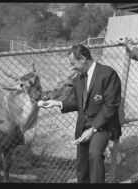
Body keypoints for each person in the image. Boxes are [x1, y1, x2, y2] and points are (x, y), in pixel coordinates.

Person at [38, 44, 122, 183]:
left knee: (94, 155)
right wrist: (58, 103)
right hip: (83, 126)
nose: (72, 67)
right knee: (82, 166)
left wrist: (93, 128)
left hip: (103, 125)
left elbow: (111, 106)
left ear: (82, 59)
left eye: (73, 63)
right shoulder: (80, 78)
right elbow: (78, 103)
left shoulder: (108, 74)